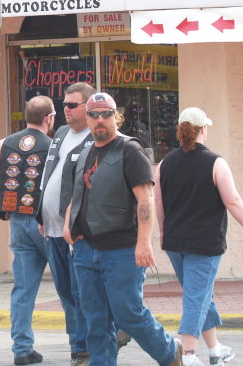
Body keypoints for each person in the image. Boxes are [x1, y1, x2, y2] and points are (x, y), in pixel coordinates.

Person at [64, 92, 182, 366]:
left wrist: (144, 243)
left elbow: (145, 198)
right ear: (88, 118)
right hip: (85, 249)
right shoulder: (84, 152)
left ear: (117, 117)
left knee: (128, 313)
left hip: (122, 250)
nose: (100, 119)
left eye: (106, 113)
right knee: (95, 319)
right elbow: (77, 193)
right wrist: (69, 224)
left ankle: (170, 353)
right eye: (94, 114)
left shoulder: (130, 150)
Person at [156, 107, 243, 366]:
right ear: (203, 129)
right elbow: (233, 201)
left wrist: (162, 232)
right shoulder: (216, 162)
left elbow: (158, 201)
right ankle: (189, 354)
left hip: (175, 242)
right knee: (196, 296)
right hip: (204, 242)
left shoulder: (165, 163)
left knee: (200, 293)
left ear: (180, 130)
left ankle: (215, 350)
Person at [0, 95, 56, 365]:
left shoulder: (5, 143)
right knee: (68, 285)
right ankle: (80, 343)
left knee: (23, 288)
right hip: (46, 222)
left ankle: (22, 349)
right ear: (49, 118)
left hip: (18, 221)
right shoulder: (53, 145)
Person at [36, 82, 95, 365]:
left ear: (89, 106)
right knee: (65, 292)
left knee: (80, 291)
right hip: (51, 229)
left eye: (72, 105)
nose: (66, 110)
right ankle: (80, 344)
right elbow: (49, 173)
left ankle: (82, 348)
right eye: (64, 105)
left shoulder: (95, 138)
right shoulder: (59, 133)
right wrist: (40, 215)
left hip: (76, 232)